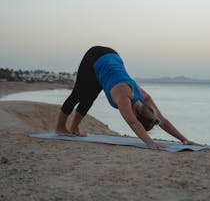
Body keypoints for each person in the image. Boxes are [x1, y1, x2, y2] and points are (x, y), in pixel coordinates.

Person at [55, 46, 198, 150]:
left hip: (112, 59)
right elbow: (133, 123)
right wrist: (150, 143)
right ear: (137, 116)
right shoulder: (124, 98)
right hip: (95, 56)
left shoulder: (145, 98)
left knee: (90, 97)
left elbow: (163, 121)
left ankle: (74, 128)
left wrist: (184, 139)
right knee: (78, 93)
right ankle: (60, 128)